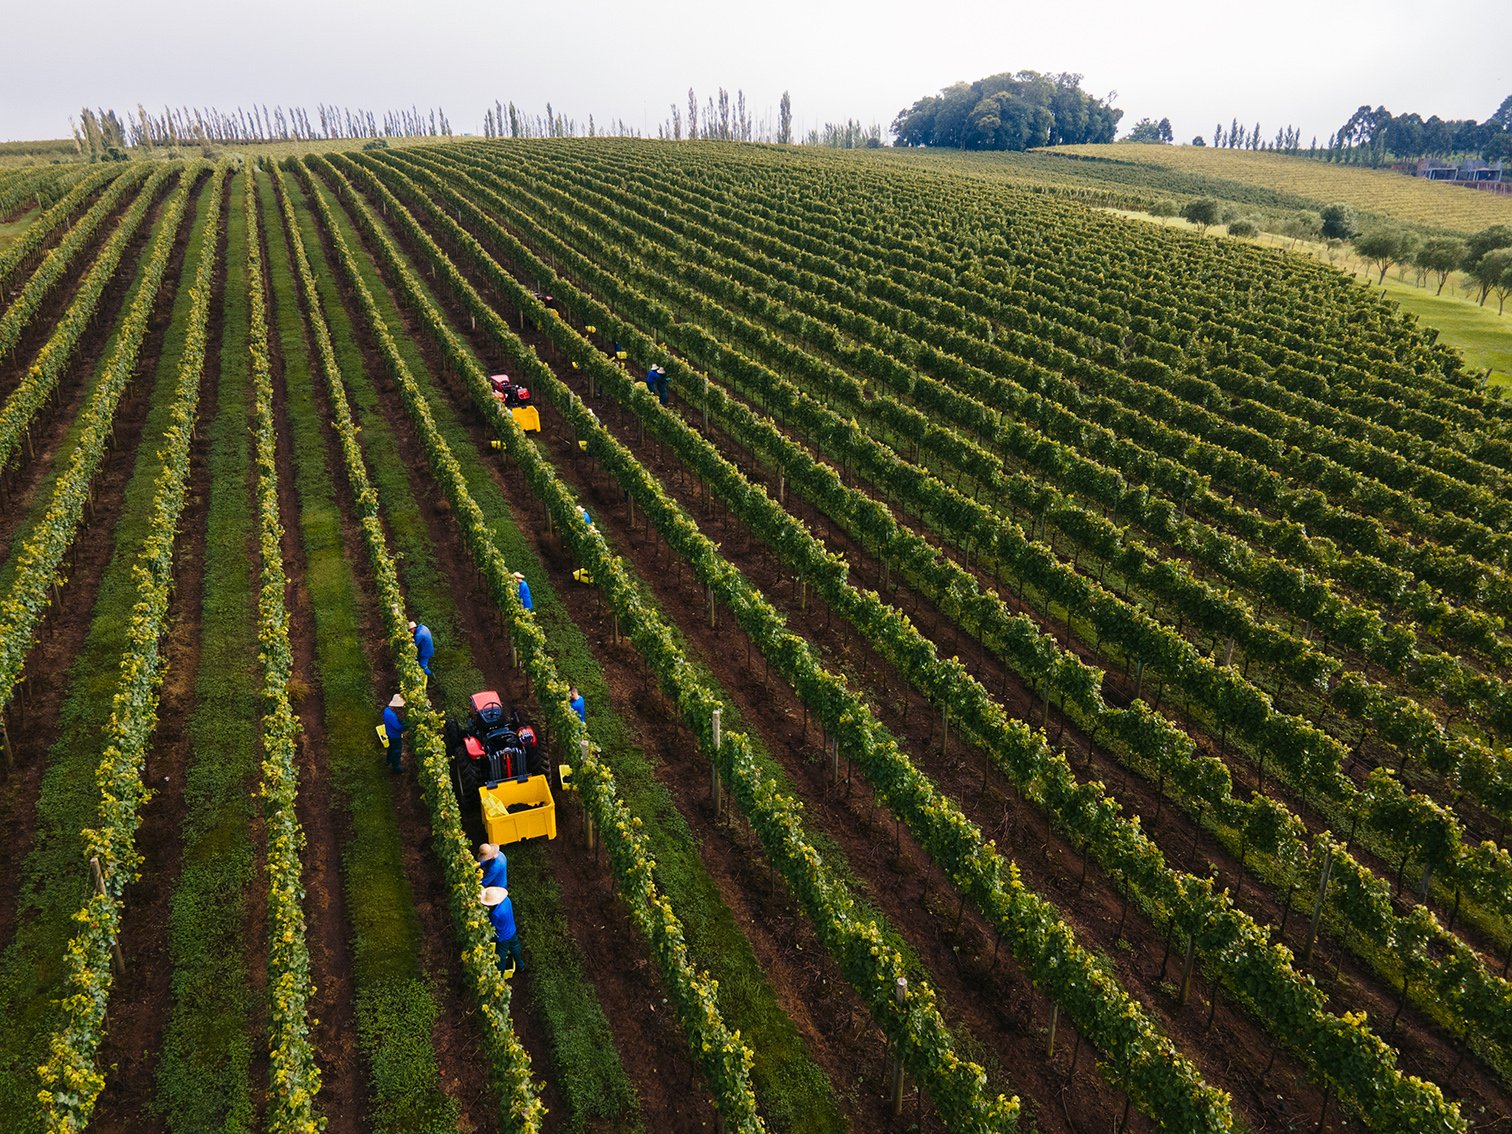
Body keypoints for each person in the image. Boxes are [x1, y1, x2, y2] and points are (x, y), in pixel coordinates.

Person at [482, 886, 522, 975]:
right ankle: (521, 966)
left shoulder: (496, 913)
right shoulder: (507, 900)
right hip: (512, 930)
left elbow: (491, 926)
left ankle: (500, 974)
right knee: (515, 947)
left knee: (500, 956)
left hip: (502, 937)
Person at [382, 693, 406, 773]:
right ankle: (396, 768)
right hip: (395, 735)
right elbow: (398, 727)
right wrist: (406, 725)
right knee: (396, 751)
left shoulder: (386, 710)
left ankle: (388, 761)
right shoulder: (391, 715)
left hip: (389, 733)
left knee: (391, 748)